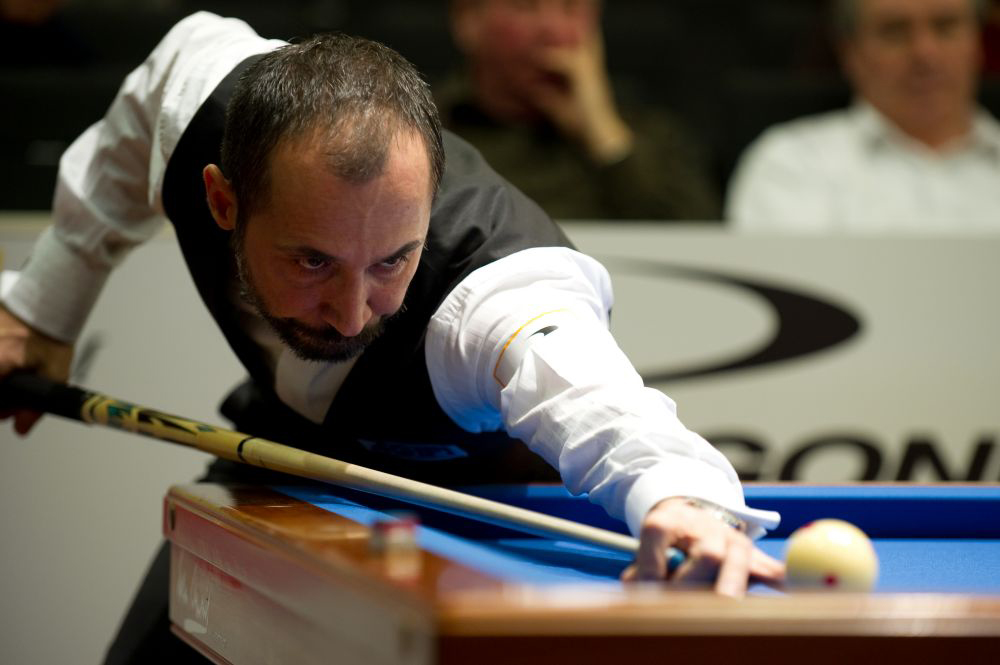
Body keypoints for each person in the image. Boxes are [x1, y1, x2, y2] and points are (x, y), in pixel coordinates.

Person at [0, 12, 782, 663]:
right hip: (279, 459)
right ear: (224, 200)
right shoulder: (201, 97)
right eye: (312, 260)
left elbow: (596, 398)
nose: (350, 315)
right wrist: (40, 310)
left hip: (471, 514)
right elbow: (131, 125)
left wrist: (685, 498)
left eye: (391, 261)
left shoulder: (496, 292)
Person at [726, 0, 1000, 233]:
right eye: (895, 31)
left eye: (945, 27)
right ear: (850, 52)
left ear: (979, 42)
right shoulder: (793, 164)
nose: (925, 53)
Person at [438, 0, 721, 220]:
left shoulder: (653, 137)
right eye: (526, 6)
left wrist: (603, 135)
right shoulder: (430, 132)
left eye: (571, 7)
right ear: (468, 20)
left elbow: (704, 245)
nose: (553, 30)